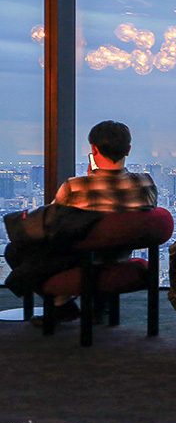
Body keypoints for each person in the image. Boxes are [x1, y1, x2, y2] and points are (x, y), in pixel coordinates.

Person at [40, 120, 157, 323]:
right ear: (128, 150)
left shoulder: (75, 187)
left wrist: (90, 179)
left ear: (93, 149)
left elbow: (50, 222)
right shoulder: (145, 183)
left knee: (17, 252)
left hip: (82, 259)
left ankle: (61, 304)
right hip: (122, 255)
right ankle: (98, 307)